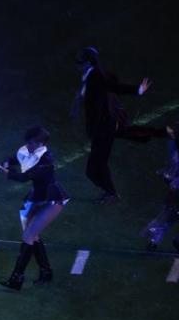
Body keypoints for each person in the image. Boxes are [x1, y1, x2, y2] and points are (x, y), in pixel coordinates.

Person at [70, 46, 164, 204]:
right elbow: (92, 92)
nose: (76, 65)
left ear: (87, 63)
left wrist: (138, 90)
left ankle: (112, 194)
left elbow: (115, 87)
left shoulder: (96, 76)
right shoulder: (90, 75)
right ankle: (111, 193)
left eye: (79, 62)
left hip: (104, 127)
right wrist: (78, 100)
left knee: (93, 169)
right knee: (97, 165)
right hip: (101, 127)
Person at [0, 126, 68, 291]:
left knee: (29, 234)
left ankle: (17, 280)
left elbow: (23, 178)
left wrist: (2, 169)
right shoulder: (31, 151)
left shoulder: (46, 161)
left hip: (52, 200)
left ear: (40, 143)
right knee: (32, 234)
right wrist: (6, 163)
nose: (28, 145)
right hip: (39, 198)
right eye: (28, 142)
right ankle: (45, 272)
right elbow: (16, 158)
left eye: (32, 143)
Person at [142, 124, 179, 251]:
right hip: (175, 197)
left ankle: (153, 242)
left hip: (174, 197)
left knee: (166, 221)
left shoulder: (176, 158)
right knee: (167, 220)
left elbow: (168, 178)